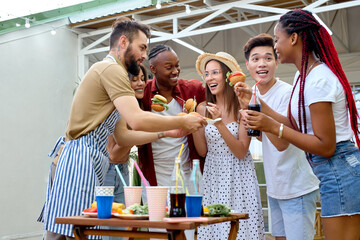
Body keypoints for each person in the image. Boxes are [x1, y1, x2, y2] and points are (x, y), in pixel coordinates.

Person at [42, 17, 206, 239]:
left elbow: (124, 135)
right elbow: (137, 119)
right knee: (72, 232)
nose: (144, 56)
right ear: (122, 42)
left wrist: (167, 133)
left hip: (92, 158)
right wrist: (182, 121)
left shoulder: (114, 73)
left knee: (73, 233)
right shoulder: (110, 69)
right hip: (80, 156)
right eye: (141, 47)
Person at [236, 9, 360, 240]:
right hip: (329, 170)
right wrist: (259, 106)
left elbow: (326, 146)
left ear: (293, 38)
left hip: (340, 166)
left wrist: (272, 127)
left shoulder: (319, 79)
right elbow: (295, 124)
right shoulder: (302, 77)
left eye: (276, 39)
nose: (275, 46)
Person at [241, 33, 320, 240]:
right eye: (255, 59)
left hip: (296, 187)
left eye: (268, 58)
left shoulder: (288, 93)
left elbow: (282, 143)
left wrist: (261, 116)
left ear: (277, 61)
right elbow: (263, 139)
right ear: (247, 65)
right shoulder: (254, 93)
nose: (262, 64)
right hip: (275, 186)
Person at [194, 51, 265, 240]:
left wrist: (218, 122)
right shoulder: (202, 108)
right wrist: (192, 123)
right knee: (214, 228)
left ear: (227, 76)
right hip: (213, 174)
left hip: (240, 174)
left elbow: (241, 151)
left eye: (214, 72)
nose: (209, 78)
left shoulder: (242, 107)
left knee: (241, 228)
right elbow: (202, 151)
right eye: (206, 74)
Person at [138, 44, 206, 187]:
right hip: (154, 173)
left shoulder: (192, 90)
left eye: (177, 65)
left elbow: (218, 96)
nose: (175, 71)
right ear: (153, 69)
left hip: (186, 172)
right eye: (169, 67)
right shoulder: (143, 93)